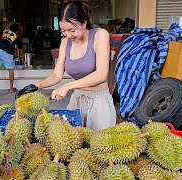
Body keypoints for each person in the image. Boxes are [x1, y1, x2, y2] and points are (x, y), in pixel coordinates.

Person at [16, 1, 116, 131]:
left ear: (84, 23)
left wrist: (68, 86)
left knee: (99, 147)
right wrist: (35, 85)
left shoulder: (100, 35)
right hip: (77, 102)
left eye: (72, 30)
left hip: (99, 103)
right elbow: (57, 75)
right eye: (63, 31)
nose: (68, 35)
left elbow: (101, 75)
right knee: (75, 147)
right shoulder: (65, 43)